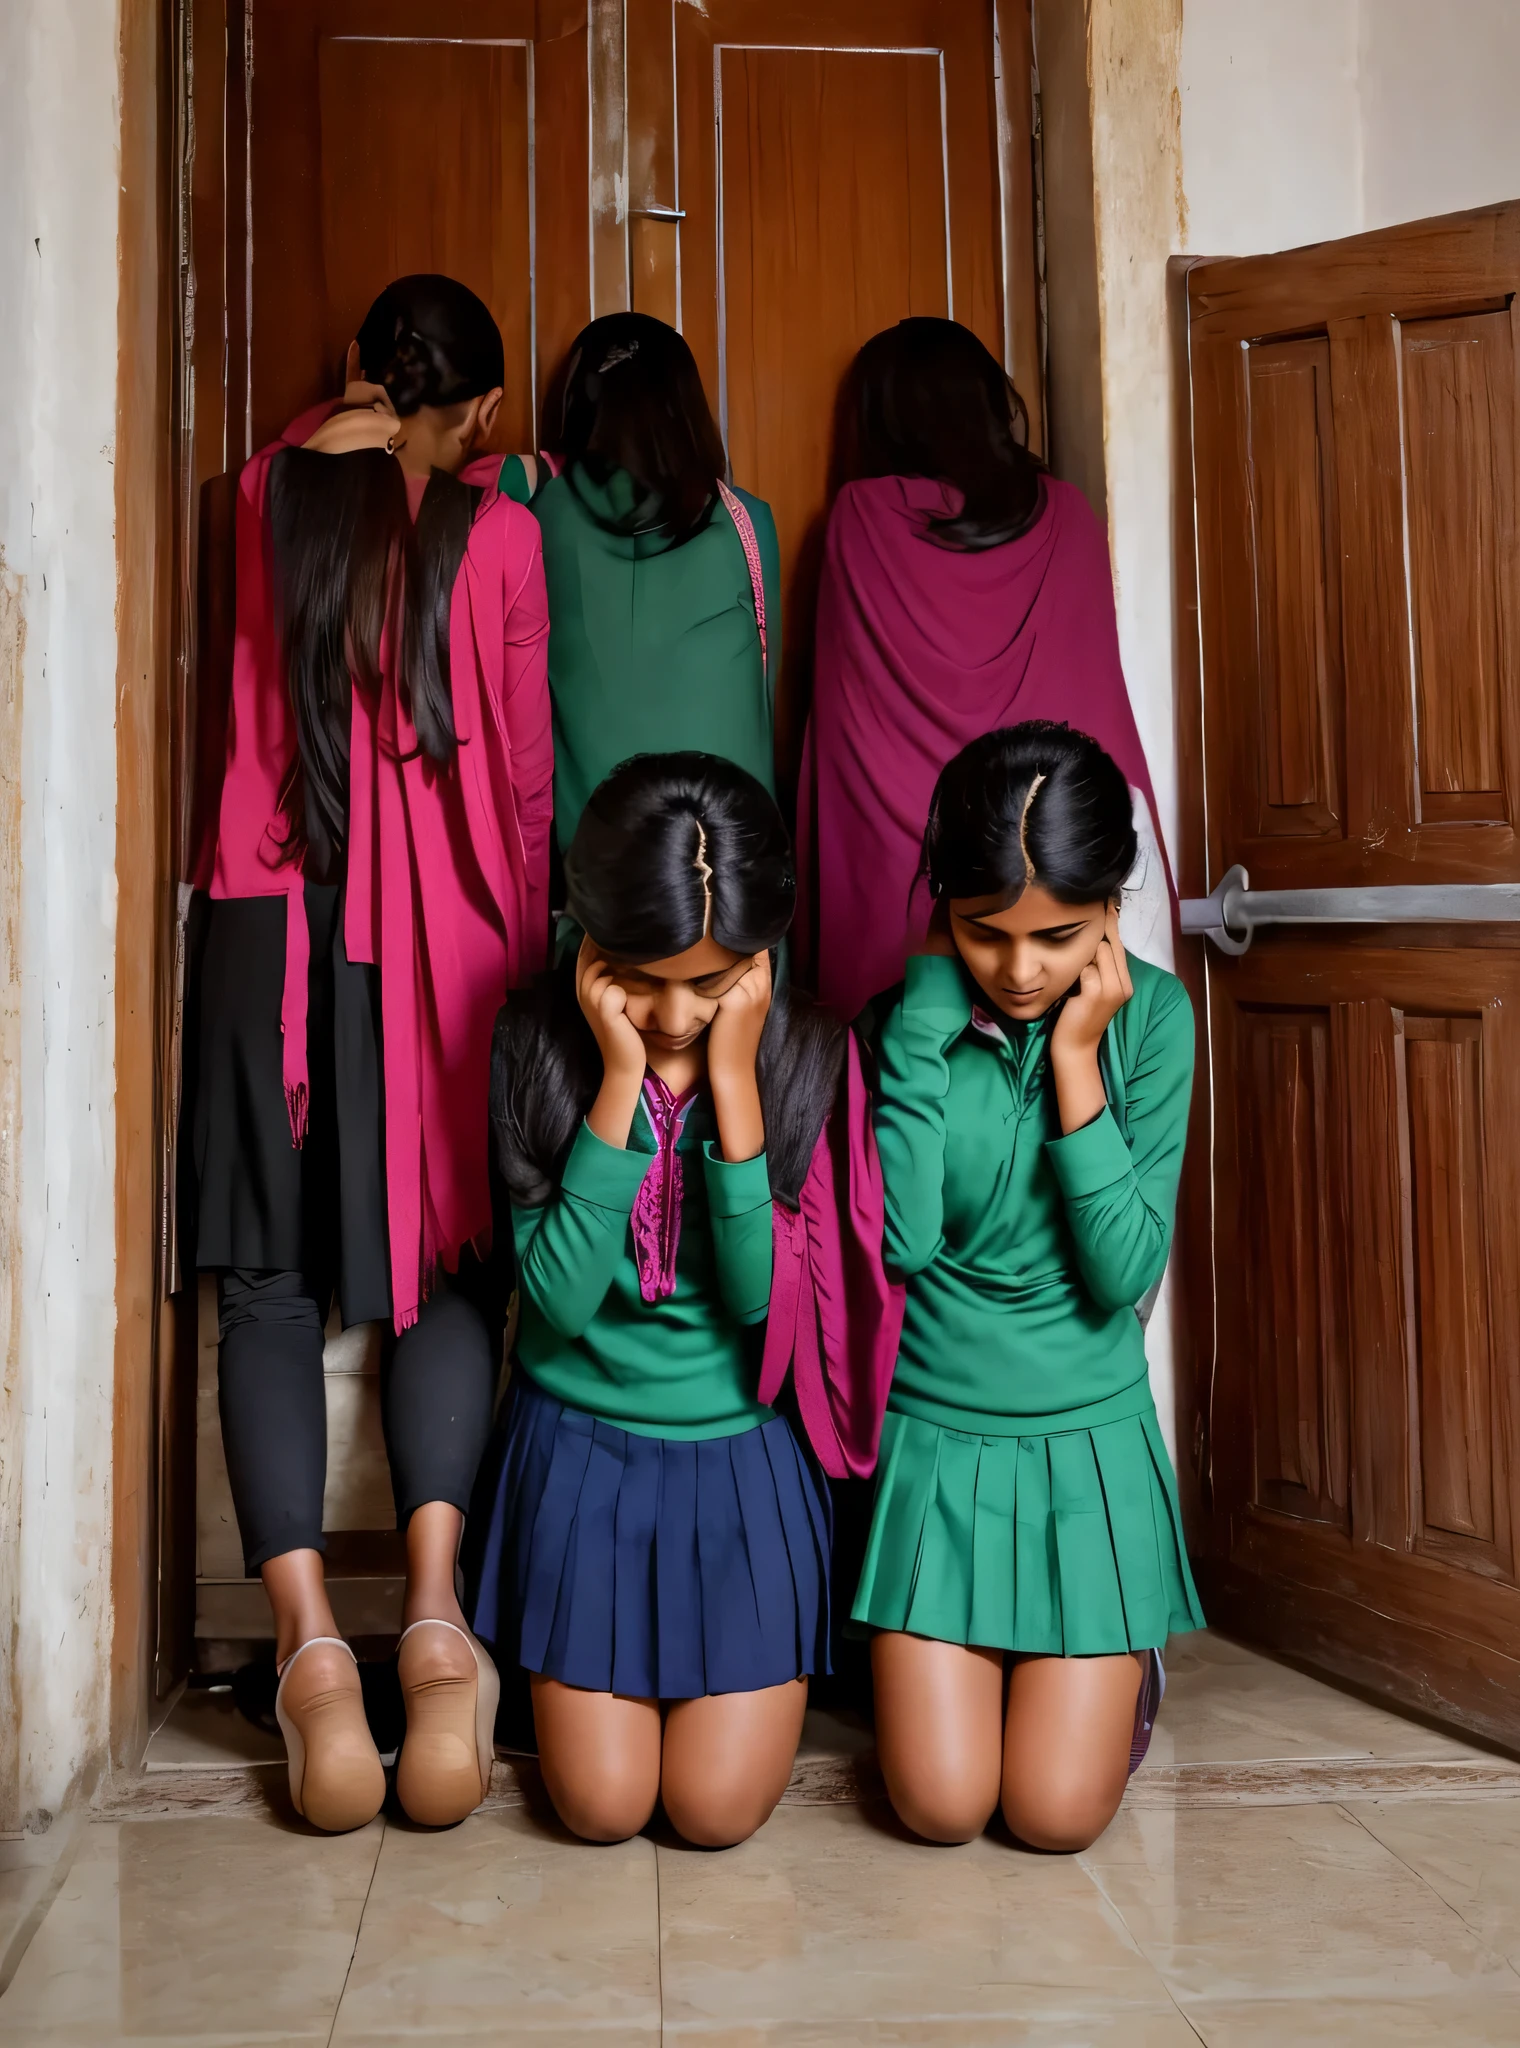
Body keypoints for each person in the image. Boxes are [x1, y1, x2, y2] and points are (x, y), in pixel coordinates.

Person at [191, 274, 553, 1833]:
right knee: (450, 1272)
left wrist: (324, 416)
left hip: (269, 935)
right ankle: (432, 1620)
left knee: (267, 1287)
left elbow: (301, 469)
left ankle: (307, 1656)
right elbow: (528, 787)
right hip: (443, 957)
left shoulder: (265, 499)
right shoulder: (506, 536)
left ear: (355, 371)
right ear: (476, 413)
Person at [471, 752, 887, 1849]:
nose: (672, 1010)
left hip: (743, 1465)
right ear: (588, 936)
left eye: (710, 982)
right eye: (641, 973)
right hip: (580, 1462)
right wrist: (616, 1084)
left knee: (711, 1811)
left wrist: (737, 1090)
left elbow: (760, 1305)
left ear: (760, 956)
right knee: (603, 1808)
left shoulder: (807, 1054)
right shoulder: (531, 1044)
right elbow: (554, 1303)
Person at [851, 721, 1202, 1852]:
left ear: (1112, 901)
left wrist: (1074, 1063)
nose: (1018, 967)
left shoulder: (1155, 1023)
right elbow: (900, 1242)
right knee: (943, 1806)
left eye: (1057, 934)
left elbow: (1122, 1270)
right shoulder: (905, 1021)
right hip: (936, 1445)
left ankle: (1111, 1660)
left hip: (1086, 1451)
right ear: (943, 907)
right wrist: (916, 1025)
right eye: (983, 931)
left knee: (1053, 1816)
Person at [797, 316, 1172, 1022]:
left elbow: (846, 746)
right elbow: (1095, 703)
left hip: (909, 894)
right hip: (1070, 885)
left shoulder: (862, 517)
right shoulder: (1069, 514)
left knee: (913, 1116)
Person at [313, 310, 780, 852]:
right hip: (734, 888)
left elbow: (438, 488)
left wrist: (546, 466)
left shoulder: (535, 509)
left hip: (593, 898)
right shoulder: (749, 521)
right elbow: (763, 700)